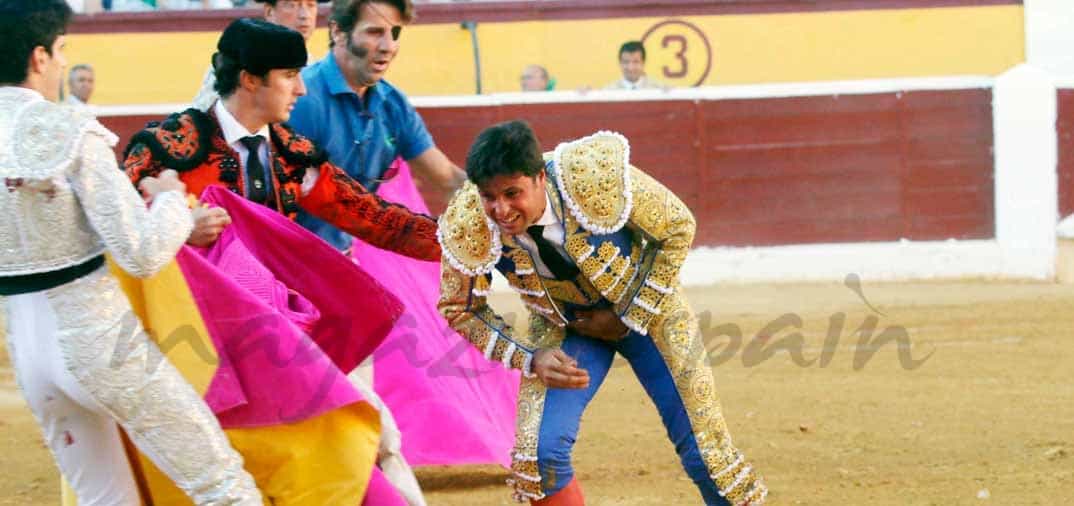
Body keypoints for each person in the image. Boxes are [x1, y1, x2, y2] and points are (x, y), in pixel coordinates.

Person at [123, 18, 440, 504]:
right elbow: (120, 233)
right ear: (250, 79)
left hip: (276, 342)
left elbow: (372, 217)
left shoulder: (291, 156)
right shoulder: (171, 150)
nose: (301, 87)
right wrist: (179, 230)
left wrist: (463, 242)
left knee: (367, 436)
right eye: (289, 75)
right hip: (201, 356)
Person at [0, 1, 261, 504]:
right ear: (38, 58)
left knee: (103, 497)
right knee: (222, 484)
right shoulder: (72, 131)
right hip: (101, 344)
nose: (58, 65)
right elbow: (141, 252)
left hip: (28, 351)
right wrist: (170, 202)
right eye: (59, 53)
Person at [438, 120, 769, 505]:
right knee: (538, 459)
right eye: (489, 197)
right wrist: (532, 356)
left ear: (540, 177)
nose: (501, 210)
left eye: (512, 193)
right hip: (567, 328)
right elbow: (460, 307)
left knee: (707, 456)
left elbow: (678, 226)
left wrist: (628, 314)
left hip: (652, 316)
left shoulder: (591, 173)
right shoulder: (469, 220)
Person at [288, 0, 519, 474]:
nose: (387, 46)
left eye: (394, 34)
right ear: (337, 32)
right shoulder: (302, 97)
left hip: (342, 267)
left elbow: (443, 175)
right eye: (374, 32)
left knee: (346, 389)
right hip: (289, 270)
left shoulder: (390, 103)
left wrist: (506, 205)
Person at [192, 0, 329, 111]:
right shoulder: (238, 60)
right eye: (292, 5)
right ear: (269, 12)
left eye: (311, 5)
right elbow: (204, 114)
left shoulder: (315, 67)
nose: (304, 15)